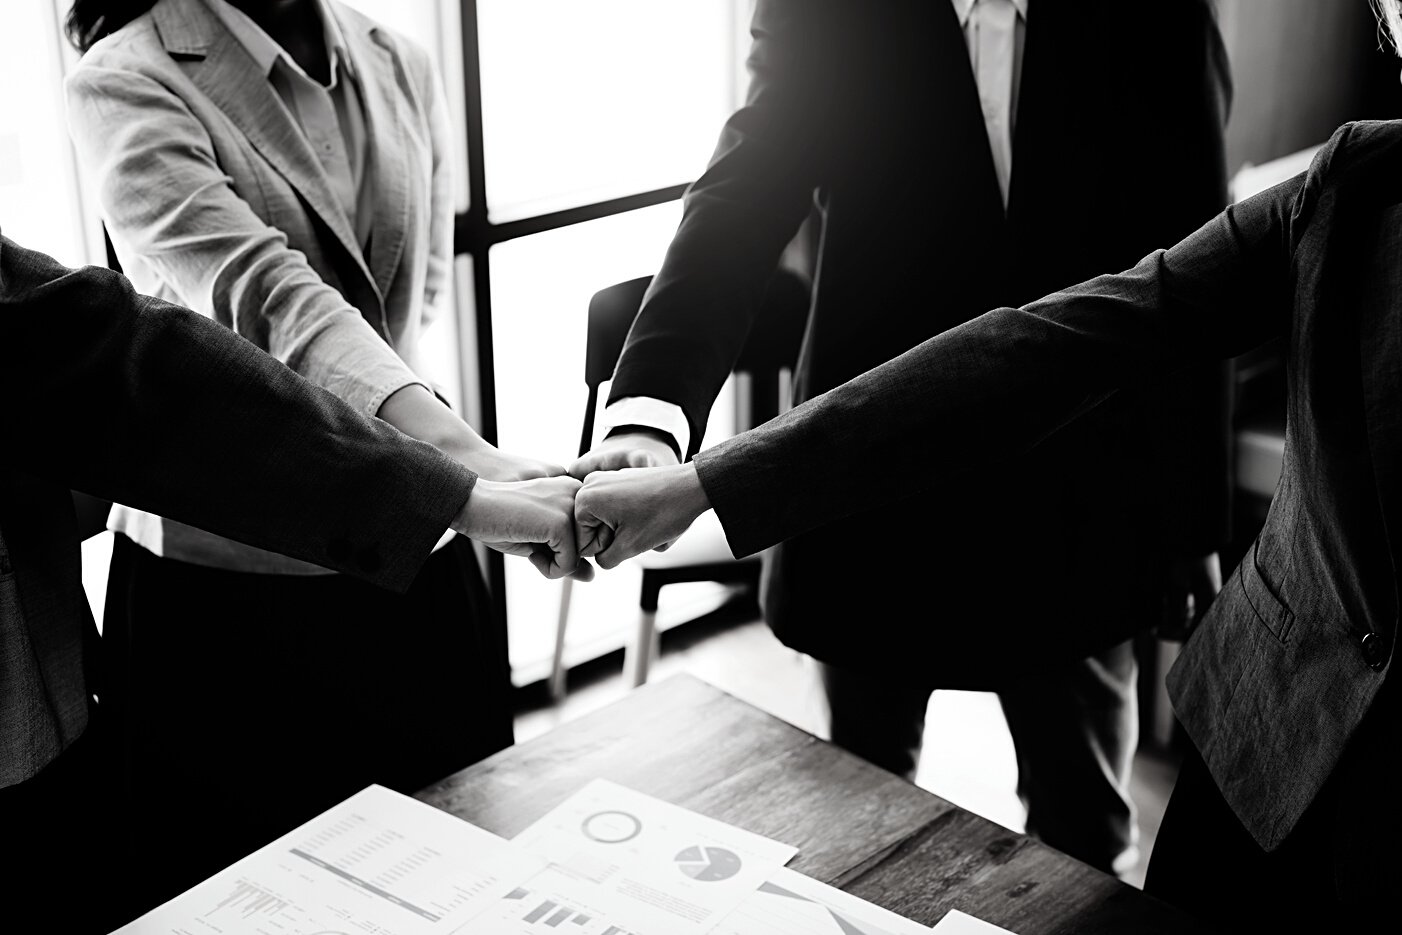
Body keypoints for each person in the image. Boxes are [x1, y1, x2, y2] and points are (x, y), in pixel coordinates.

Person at [571, 5, 1402, 922]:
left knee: (1083, 837)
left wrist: (1191, 518)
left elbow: (1187, 252)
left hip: (1085, 491)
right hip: (868, 486)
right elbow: (741, 189)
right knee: (855, 826)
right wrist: (652, 418)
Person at [60, 0, 556, 910]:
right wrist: (458, 455)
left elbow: (417, 289)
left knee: (467, 880)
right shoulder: (126, 78)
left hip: (419, 559)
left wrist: (447, 475)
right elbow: (262, 294)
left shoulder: (394, 55)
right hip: (231, 599)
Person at [0, 231, 586, 933]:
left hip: (387, 545)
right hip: (211, 595)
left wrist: (456, 486)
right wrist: (458, 478)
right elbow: (170, 350)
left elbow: (122, 356)